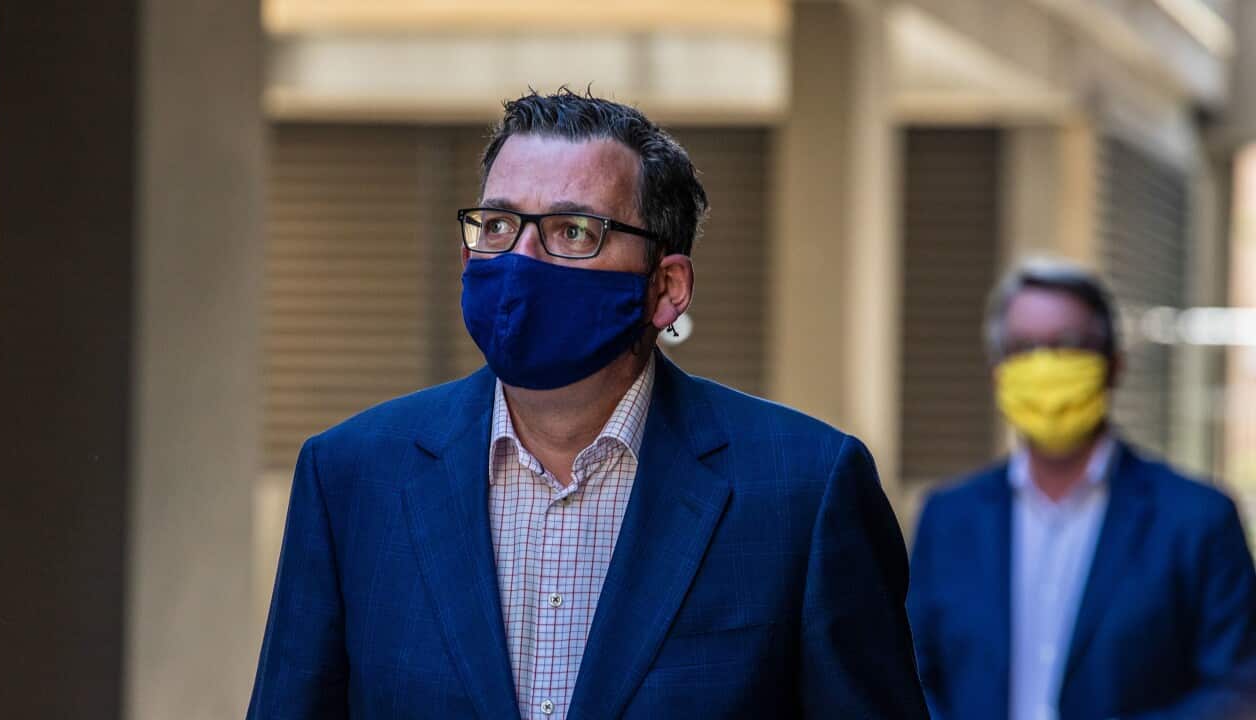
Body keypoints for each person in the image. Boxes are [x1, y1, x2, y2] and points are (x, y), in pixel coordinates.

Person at [247, 90, 929, 719]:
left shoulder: (805, 490)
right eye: (498, 224)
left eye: (573, 232)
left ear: (666, 287)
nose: (520, 258)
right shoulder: (351, 477)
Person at [908, 259, 1256, 720]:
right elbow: (909, 675)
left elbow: (1237, 688)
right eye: (1024, 348)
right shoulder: (948, 518)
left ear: (1114, 365)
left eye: (1068, 344)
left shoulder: (1198, 519)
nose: (1045, 364)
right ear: (997, 371)